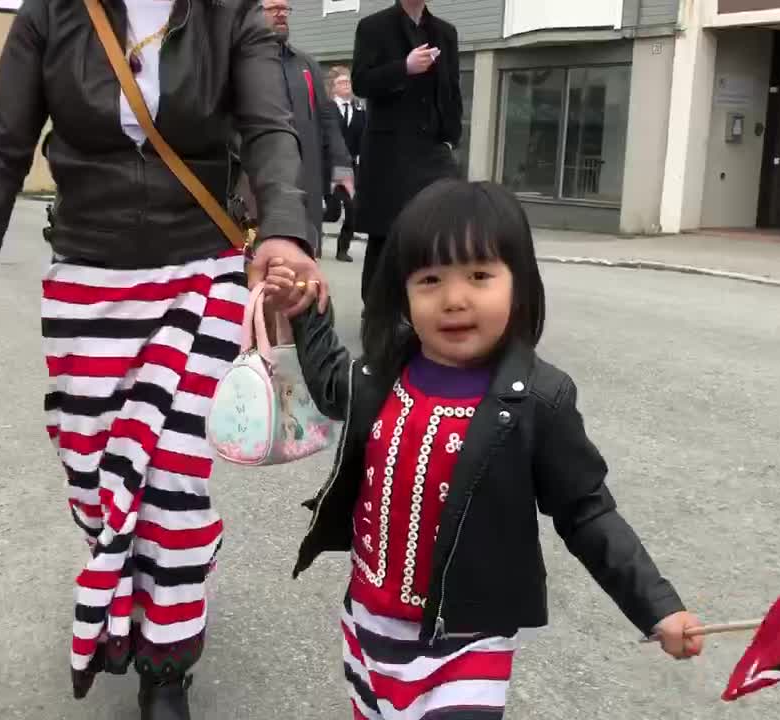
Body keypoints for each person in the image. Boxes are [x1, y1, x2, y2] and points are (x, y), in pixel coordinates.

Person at [0, 0, 323, 717]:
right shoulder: (52, 11)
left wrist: (285, 231)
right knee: (96, 477)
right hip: (88, 276)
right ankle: (136, 595)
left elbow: (271, 128)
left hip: (199, 271)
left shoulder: (230, 12)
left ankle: (165, 669)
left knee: (170, 481)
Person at [265, 180, 704, 719]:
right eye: (429, 280)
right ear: (402, 293)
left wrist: (656, 606)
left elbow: (588, 512)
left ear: (518, 284)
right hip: (368, 625)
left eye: (479, 276)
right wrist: (305, 313)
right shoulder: (381, 377)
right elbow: (333, 380)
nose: (454, 299)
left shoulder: (540, 400)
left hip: (468, 641)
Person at [352, 0, 462, 303]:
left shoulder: (445, 33)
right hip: (390, 152)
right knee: (387, 234)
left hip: (433, 150)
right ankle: (376, 312)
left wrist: (452, 138)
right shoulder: (374, 26)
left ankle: (425, 303)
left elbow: (452, 88)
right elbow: (360, 82)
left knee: (434, 230)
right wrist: (405, 68)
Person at [261, 0, 353, 258]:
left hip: (307, 183)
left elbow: (327, 121)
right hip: (262, 183)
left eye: (285, 9)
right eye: (273, 9)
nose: (281, 14)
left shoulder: (306, 64)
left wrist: (342, 169)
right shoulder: (244, 64)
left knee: (305, 262)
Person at [327, 65, 365, 262]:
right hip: (331, 167)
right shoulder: (327, 108)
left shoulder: (359, 108)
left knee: (352, 209)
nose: (346, 86)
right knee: (332, 213)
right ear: (333, 88)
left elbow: (364, 136)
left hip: (351, 167)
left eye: (348, 82)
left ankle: (343, 249)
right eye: (341, 82)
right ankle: (309, 222)